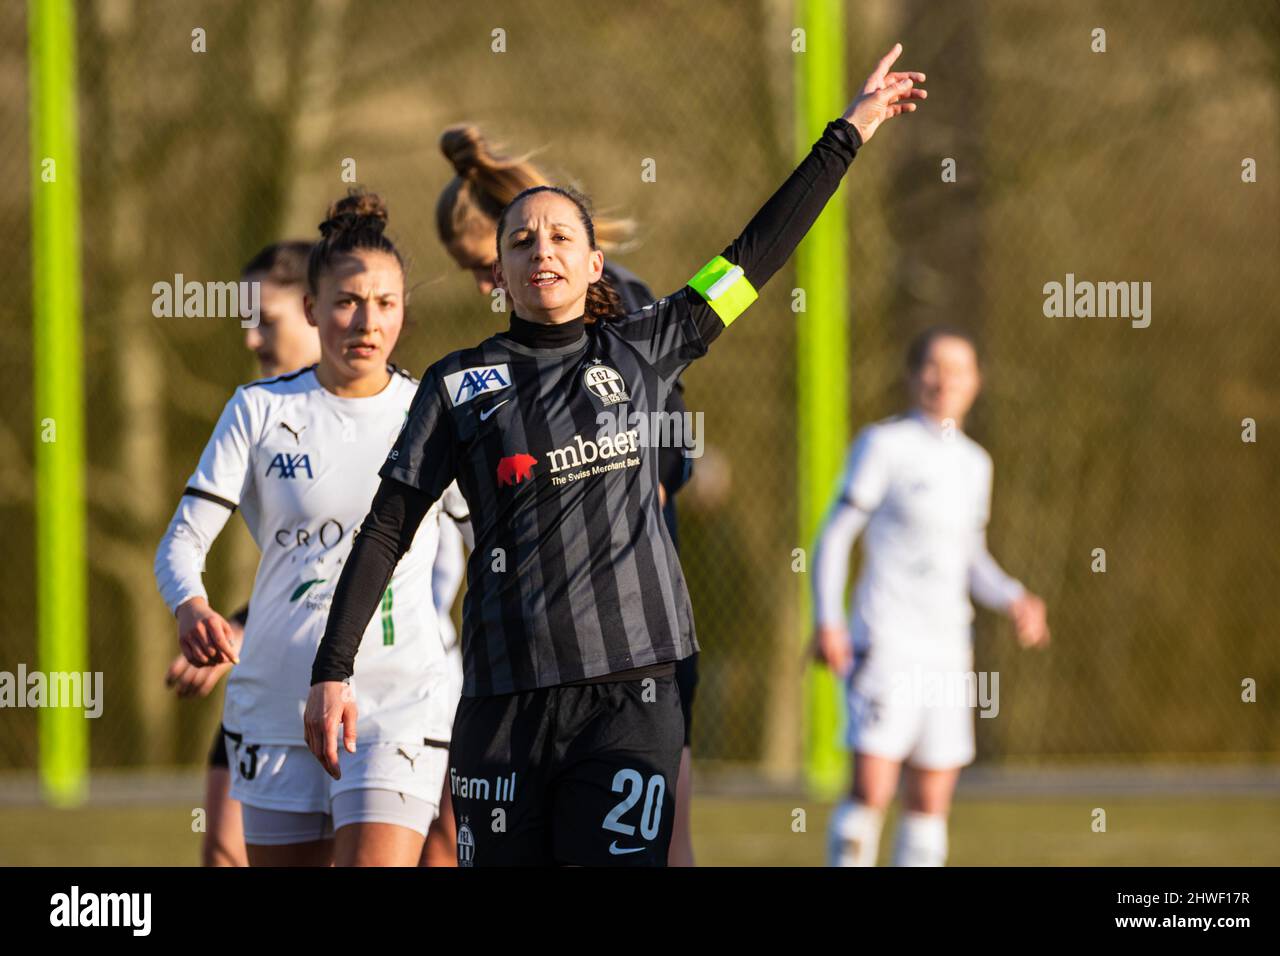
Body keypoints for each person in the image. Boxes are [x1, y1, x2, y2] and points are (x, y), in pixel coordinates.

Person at [307, 43, 926, 866]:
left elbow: (756, 253)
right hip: (502, 705)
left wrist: (850, 130)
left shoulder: (651, 344)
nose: (543, 251)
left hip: (631, 698)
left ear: (596, 263)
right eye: (523, 241)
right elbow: (386, 528)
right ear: (500, 271)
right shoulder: (458, 386)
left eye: (562, 236)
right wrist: (332, 668)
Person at [156, 193, 465, 866]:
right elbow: (182, 541)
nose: (368, 320)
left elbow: (486, 536)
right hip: (277, 698)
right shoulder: (259, 411)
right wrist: (191, 605)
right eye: (349, 301)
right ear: (312, 309)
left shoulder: (434, 413)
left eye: (386, 302)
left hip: (396, 698)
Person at [431, 123, 697, 864]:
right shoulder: (471, 375)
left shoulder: (625, 318)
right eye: (479, 272)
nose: (488, 284)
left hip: (630, 636)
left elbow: (671, 447)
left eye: (484, 264)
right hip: (523, 662)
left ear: (587, 261)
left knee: (657, 832)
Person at [813, 326, 1050, 867]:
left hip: (948, 651)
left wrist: (1015, 598)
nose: (945, 380)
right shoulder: (884, 445)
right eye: (934, 367)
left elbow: (971, 557)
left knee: (929, 803)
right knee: (872, 792)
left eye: (958, 369)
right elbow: (836, 534)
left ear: (976, 382)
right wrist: (829, 621)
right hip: (887, 642)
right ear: (914, 376)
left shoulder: (975, 464)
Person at [162, 240, 318, 867]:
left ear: (317, 309)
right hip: (272, 677)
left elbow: (366, 574)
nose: (252, 339)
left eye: (266, 321)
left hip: (394, 690)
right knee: (225, 853)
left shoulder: (399, 415)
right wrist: (231, 623)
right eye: (245, 323)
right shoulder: (254, 412)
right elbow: (307, 562)